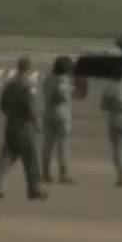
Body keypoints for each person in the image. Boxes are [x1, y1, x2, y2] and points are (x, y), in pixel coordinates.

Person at [0, 57, 48, 200]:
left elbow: (2, 104)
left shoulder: (10, 83)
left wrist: (11, 114)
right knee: (31, 159)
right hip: (25, 127)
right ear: (28, 68)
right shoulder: (28, 85)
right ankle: (35, 189)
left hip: (11, 124)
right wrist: (37, 123)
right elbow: (30, 107)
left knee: (7, 155)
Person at [41, 56, 75, 185]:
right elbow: (61, 93)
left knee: (47, 144)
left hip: (48, 112)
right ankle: (63, 174)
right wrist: (70, 91)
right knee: (63, 145)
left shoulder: (48, 78)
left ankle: (45, 172)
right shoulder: (63, 80)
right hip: (61, 113)